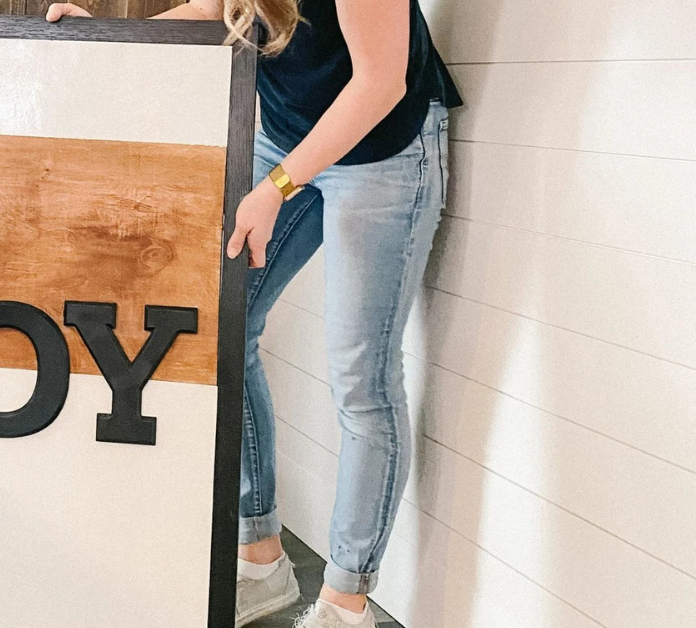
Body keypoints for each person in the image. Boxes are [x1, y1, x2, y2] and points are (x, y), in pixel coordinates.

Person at [48, 0, 461, 626]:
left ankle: (345, 604)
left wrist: (275, 189)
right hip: (291, 134)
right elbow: (219, 8)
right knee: (222, 326)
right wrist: (114, 33)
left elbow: (381, 82)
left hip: (385, 152)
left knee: (362, 380)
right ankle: (261, 559)